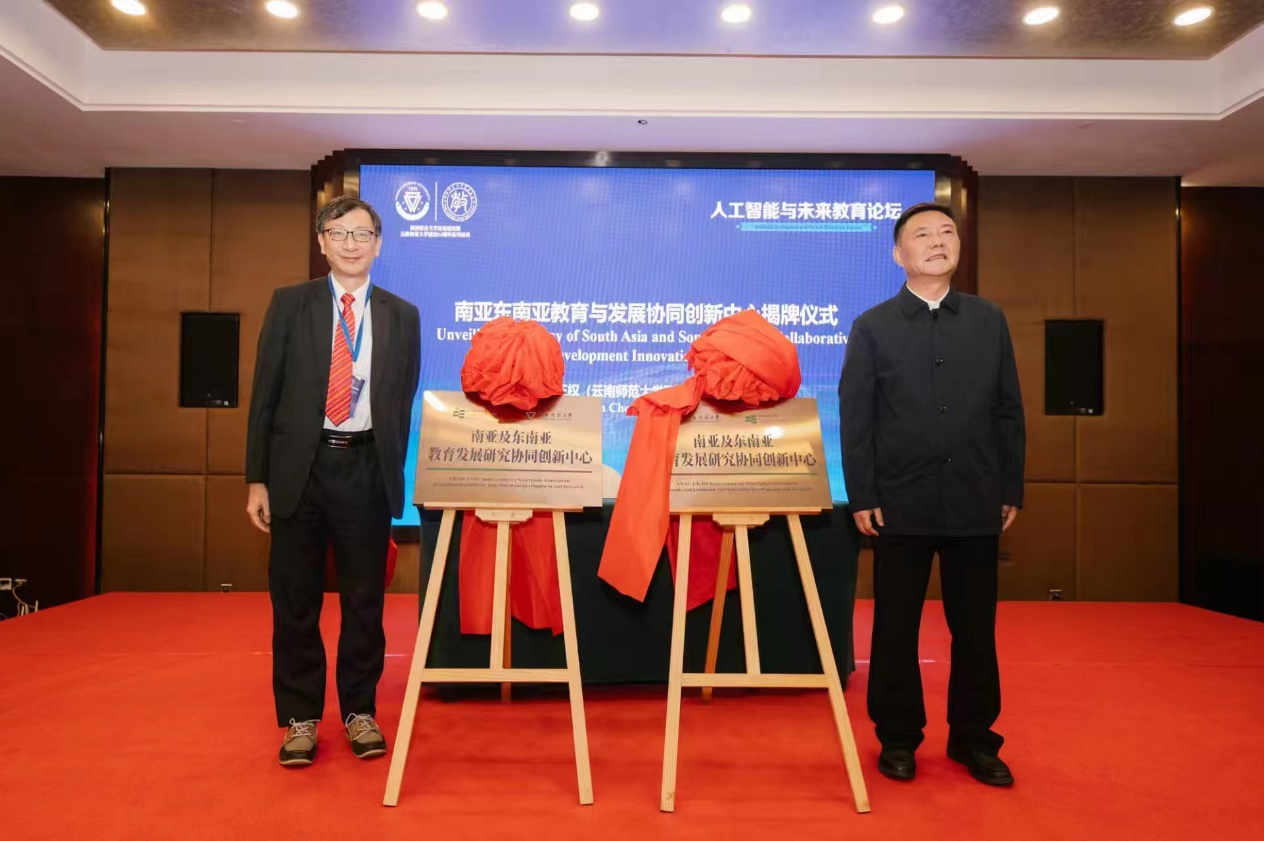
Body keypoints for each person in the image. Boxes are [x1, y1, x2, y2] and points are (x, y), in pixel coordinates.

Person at [838, 202, 1025, 786]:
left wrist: (1010, 485)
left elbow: (1008, 408)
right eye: (922, 234)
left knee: (976, 630)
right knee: (896, 628)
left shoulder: (989, 319)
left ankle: (974, 739)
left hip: (975, 496)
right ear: (899, 254)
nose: (938, 240)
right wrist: (863, 492)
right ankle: (898, 737)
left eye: (947, 232)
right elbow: (857, 417)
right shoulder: (872, 325)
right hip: (900, 499)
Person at [245, 196, 421, 767]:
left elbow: (400, 401)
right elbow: (264, 396)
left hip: (365, 470)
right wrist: (257, 479)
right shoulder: (290, 304)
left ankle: (360, 711)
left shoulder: (402, 314)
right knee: (295, 600)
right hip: (300, 469)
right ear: (321, 242)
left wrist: (392, 472)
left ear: (379, 244)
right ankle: (300, 718)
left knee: (365, 602)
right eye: (338, 233)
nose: (351, 243)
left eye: (362, 234)